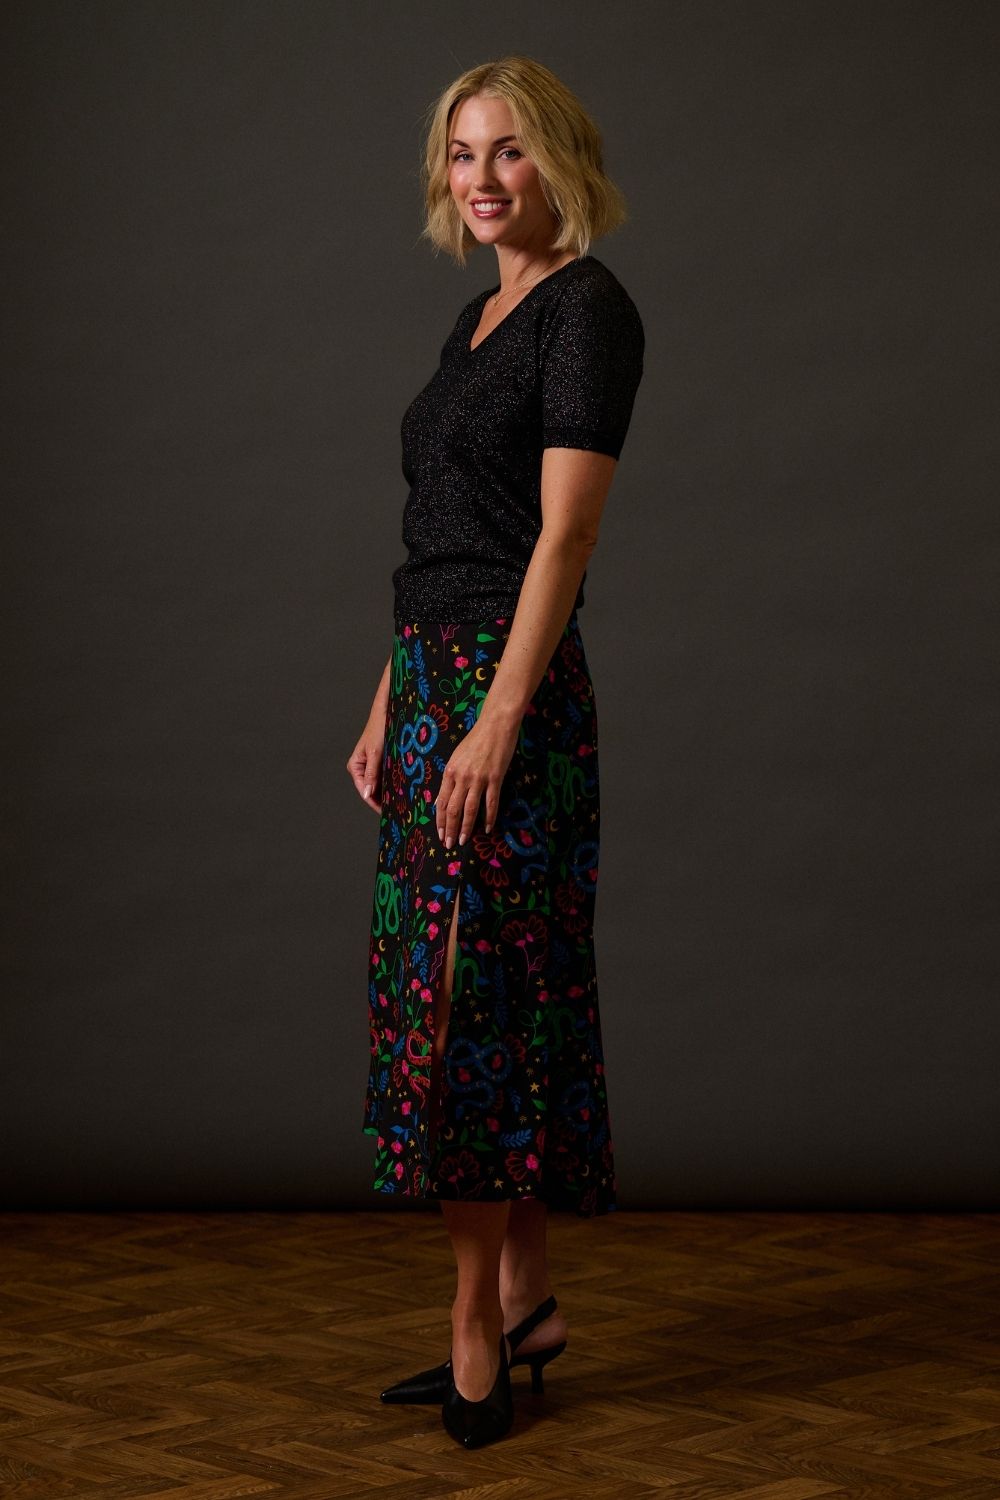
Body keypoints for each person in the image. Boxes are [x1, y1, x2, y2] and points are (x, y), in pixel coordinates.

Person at [346, 54, 645, 1450]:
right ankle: (525, 1301)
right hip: (433, 683)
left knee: (478, 1008)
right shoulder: (479, 315)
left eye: (508, 153)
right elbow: (443, 545)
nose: (479, 179)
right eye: (461, 154)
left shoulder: (587, 311)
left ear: (559, 163)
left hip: (505, 697)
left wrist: (495, 715)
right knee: (466, 995)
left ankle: (477, 1326)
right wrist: (388, 698)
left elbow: (562, 539)